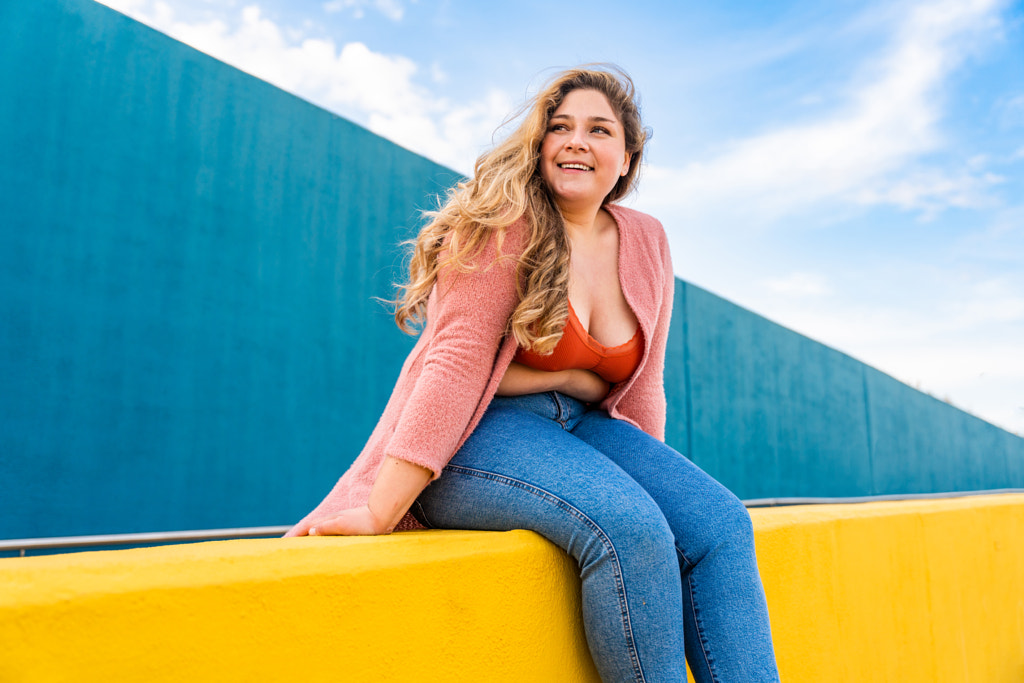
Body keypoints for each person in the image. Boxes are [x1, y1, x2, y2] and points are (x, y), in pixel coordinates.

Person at [286, 65, 780, 683]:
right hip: (473, 434)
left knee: (721, 525)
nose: (577, 140)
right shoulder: (505, 219)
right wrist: (381, 509)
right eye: (561, 127)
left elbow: (644, 382)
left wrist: (648, 473)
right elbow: (456, 360)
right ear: (541, 145)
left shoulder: (647, 239)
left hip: (582, 431)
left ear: (626, 159)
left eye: (599, 130)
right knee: (630, 529)